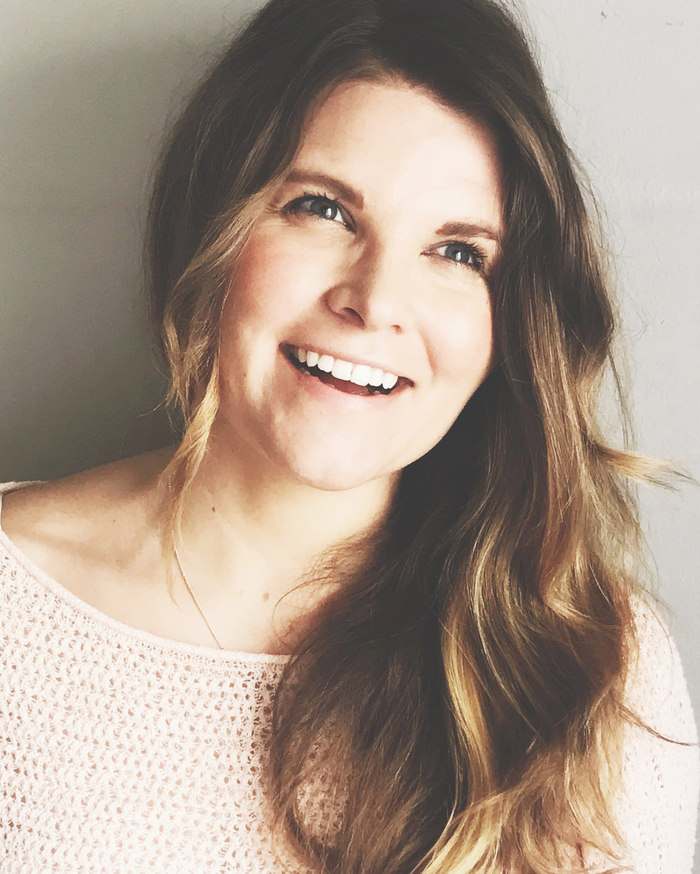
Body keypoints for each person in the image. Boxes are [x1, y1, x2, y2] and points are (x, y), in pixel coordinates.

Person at [0, 0, 697, 871]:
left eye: (458, 252)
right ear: (212, 223)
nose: (375, 301)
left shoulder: (592, 667)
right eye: (323, 209)